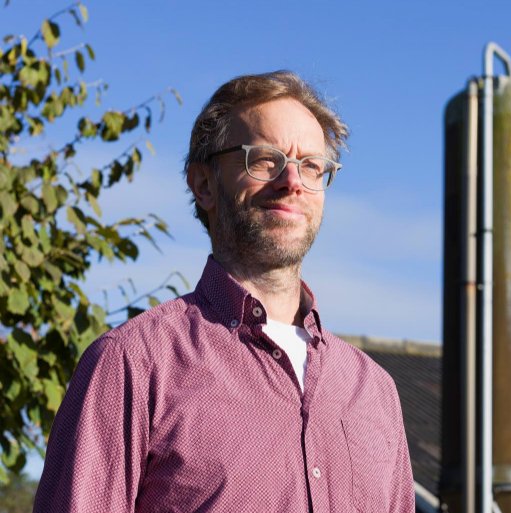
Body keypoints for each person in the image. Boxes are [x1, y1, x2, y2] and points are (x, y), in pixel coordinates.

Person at [34, 71, 415, 513]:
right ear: (203, 185)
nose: (293, 181)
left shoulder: (374, 391)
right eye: (264, 159)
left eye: (311, 166)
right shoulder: (132, 366)